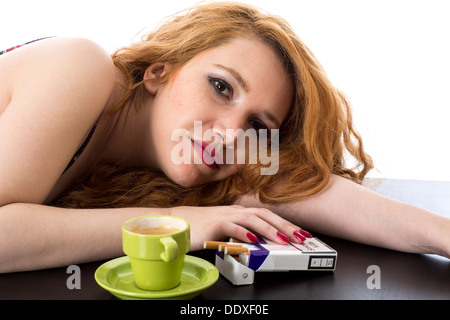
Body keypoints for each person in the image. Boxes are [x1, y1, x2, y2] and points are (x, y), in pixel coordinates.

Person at [0, 2, 448, 273]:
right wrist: (174, 224)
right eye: (220, 87)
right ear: (160, 71)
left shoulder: (170, 173)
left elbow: (302, 190)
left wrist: (441, 233)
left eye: (257, 126)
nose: (231, 133)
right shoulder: (79, 67)